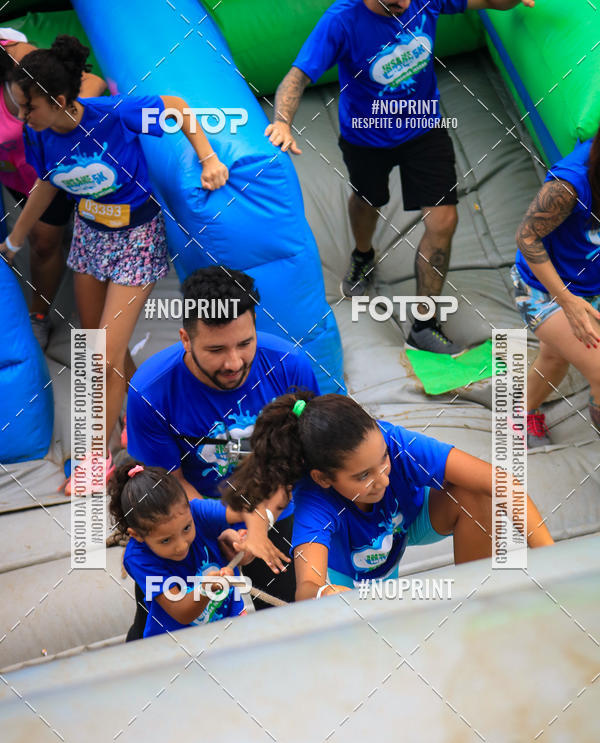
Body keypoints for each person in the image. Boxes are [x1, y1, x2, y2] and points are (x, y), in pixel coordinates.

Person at [0, 35, 229, 494]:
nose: (22, 117)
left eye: (29, 108)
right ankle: (140, 411)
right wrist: (16, 238)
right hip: (89, 237)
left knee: (101, 358)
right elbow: (47, 183)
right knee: (98, 348)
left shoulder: (115, 114)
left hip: (135, 241)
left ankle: (96, 458)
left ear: (60, 101)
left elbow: (179, 106)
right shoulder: (40, 136)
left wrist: (209, 159)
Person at [266, 0, 535, 355]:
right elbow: (296, 77)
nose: (401, 4)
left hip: (425, 129)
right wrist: (283, 122)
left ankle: (424, 323)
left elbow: (487, 1)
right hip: (366, 135)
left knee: (443, 221)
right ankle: (363, 254)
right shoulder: (341, 21)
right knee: (368, 200)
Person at [126, 265, 321, 625]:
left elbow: (301, 461)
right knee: (163, 627)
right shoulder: (150, 391)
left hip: (278, 510)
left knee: (295, 621)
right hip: (187, 521)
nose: (234, 362)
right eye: (216, 349)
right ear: (185, 339)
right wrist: (218, 527)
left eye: (245, 343)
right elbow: (167, 486)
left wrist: (258, 523)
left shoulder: (290, 367)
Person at [223, 392, 554, 599]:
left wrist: (556, 566)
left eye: (382, 460)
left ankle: (479, 601)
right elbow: (308, 588)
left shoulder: (394, 443)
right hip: (349, 577)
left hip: (404, 524)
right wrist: (345, 597)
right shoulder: (316, 503)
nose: (381, 478)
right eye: (362, 475)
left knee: (474, 492)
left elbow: (502, 483)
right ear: (323, 478)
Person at [0, 29, 106, 348]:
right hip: (14, 173)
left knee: (45, 242)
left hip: (52, 167)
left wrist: (66, 126)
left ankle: (39, 315)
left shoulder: (16, 58)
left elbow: (90, 83)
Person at [514, 125, 600, 447]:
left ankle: (522, 413)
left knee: (555, 358)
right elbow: (526, 236)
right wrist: (568, 301)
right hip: (544, 290)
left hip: (591, 283)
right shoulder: (571, 183)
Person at [108, 462, 256, 639]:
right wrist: (205, 589)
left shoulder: (197, 512)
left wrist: (246, 540)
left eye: (186, 528)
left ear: (188, 507)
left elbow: (247, 512)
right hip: (179, 646)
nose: (181, 545)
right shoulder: (138, 557)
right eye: (166, 540)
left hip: (231, 625)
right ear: (137, 535)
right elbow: (181, 612)